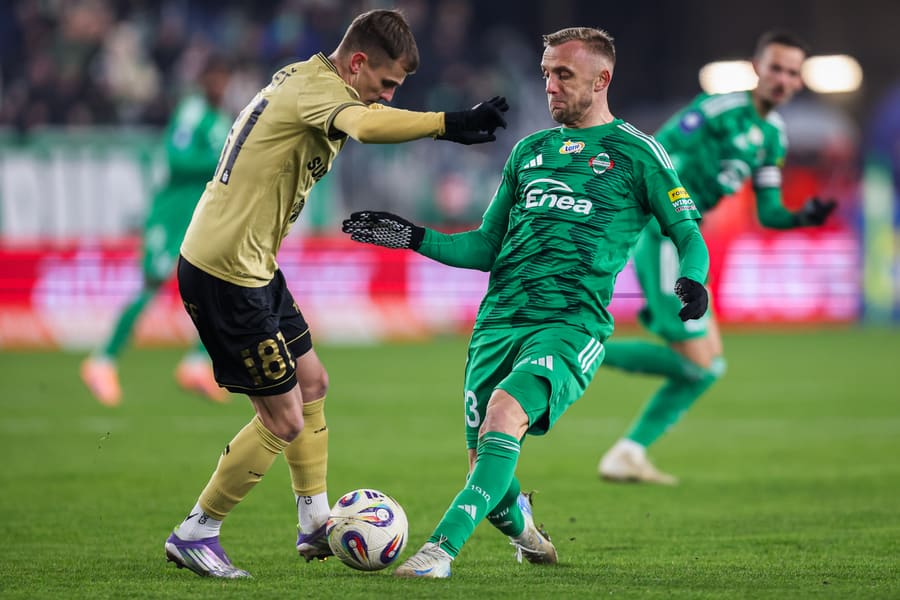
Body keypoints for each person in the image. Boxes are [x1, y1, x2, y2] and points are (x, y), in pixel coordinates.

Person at [341, 26, 710, 578]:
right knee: (484, 464)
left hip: (569, 323)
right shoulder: (529, 152)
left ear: (601, 79)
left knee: (504, 414)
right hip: (498, 323)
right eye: (545, 74)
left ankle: (438, 552)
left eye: (563, 75)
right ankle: (530, 534)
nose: (550, 86)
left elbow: (688, 233)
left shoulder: (638, 154)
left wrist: (694, 280)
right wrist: (411, 236)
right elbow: (486, 246)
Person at [162, 9, 508, 579]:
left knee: (313, 380)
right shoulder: (320, 91)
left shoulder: (306, 79)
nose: (388, 97)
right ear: (357, 63)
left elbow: (363, 119)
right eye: (387, 84)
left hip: (253, 264)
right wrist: (447, 123)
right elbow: (369, 127)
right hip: (226, 271)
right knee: (283, 419)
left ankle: (315, 522)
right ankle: (197, 531)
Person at [597, 31, 837, 485]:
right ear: (756, 68)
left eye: (792, 72)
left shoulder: (772, 137)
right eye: (776, 68)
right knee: (697, 365)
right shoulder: (720, 109)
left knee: (708, 368)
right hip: (664, 232)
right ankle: (579, 352)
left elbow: (768, 211)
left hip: (687, 239)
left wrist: (802, 216)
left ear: (799, 81)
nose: (783, 79)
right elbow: (658, 146)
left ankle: (628, 451)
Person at [80, 55, 234, 407]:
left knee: (216, 287)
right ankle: (102, 361)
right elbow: (176, 157)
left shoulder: (221, 117)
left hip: (199, 219)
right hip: (170, 217)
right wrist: (221, 162)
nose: (220, 85)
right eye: (215, 77)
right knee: (152, 284)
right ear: (204, 79)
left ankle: (197, 363)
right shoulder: (193, 113)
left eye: (225, 78)